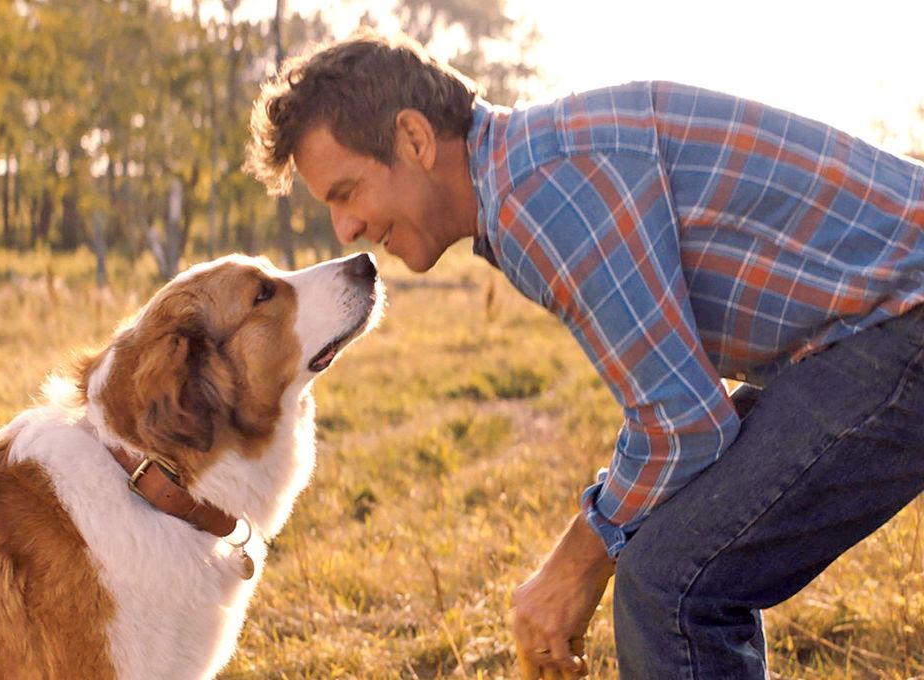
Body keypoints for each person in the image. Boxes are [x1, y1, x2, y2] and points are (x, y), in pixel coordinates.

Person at [244, 30, 924, 679]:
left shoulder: (540, 192)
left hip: (904, 320)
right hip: (872, 330)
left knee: (671, 582)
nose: (346, 228)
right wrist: (598, 538)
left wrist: (575, 562)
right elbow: (685, 406)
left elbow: (684, 422)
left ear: (415, 139)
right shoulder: (533, 170)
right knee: (662, 558)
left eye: (346, 192)